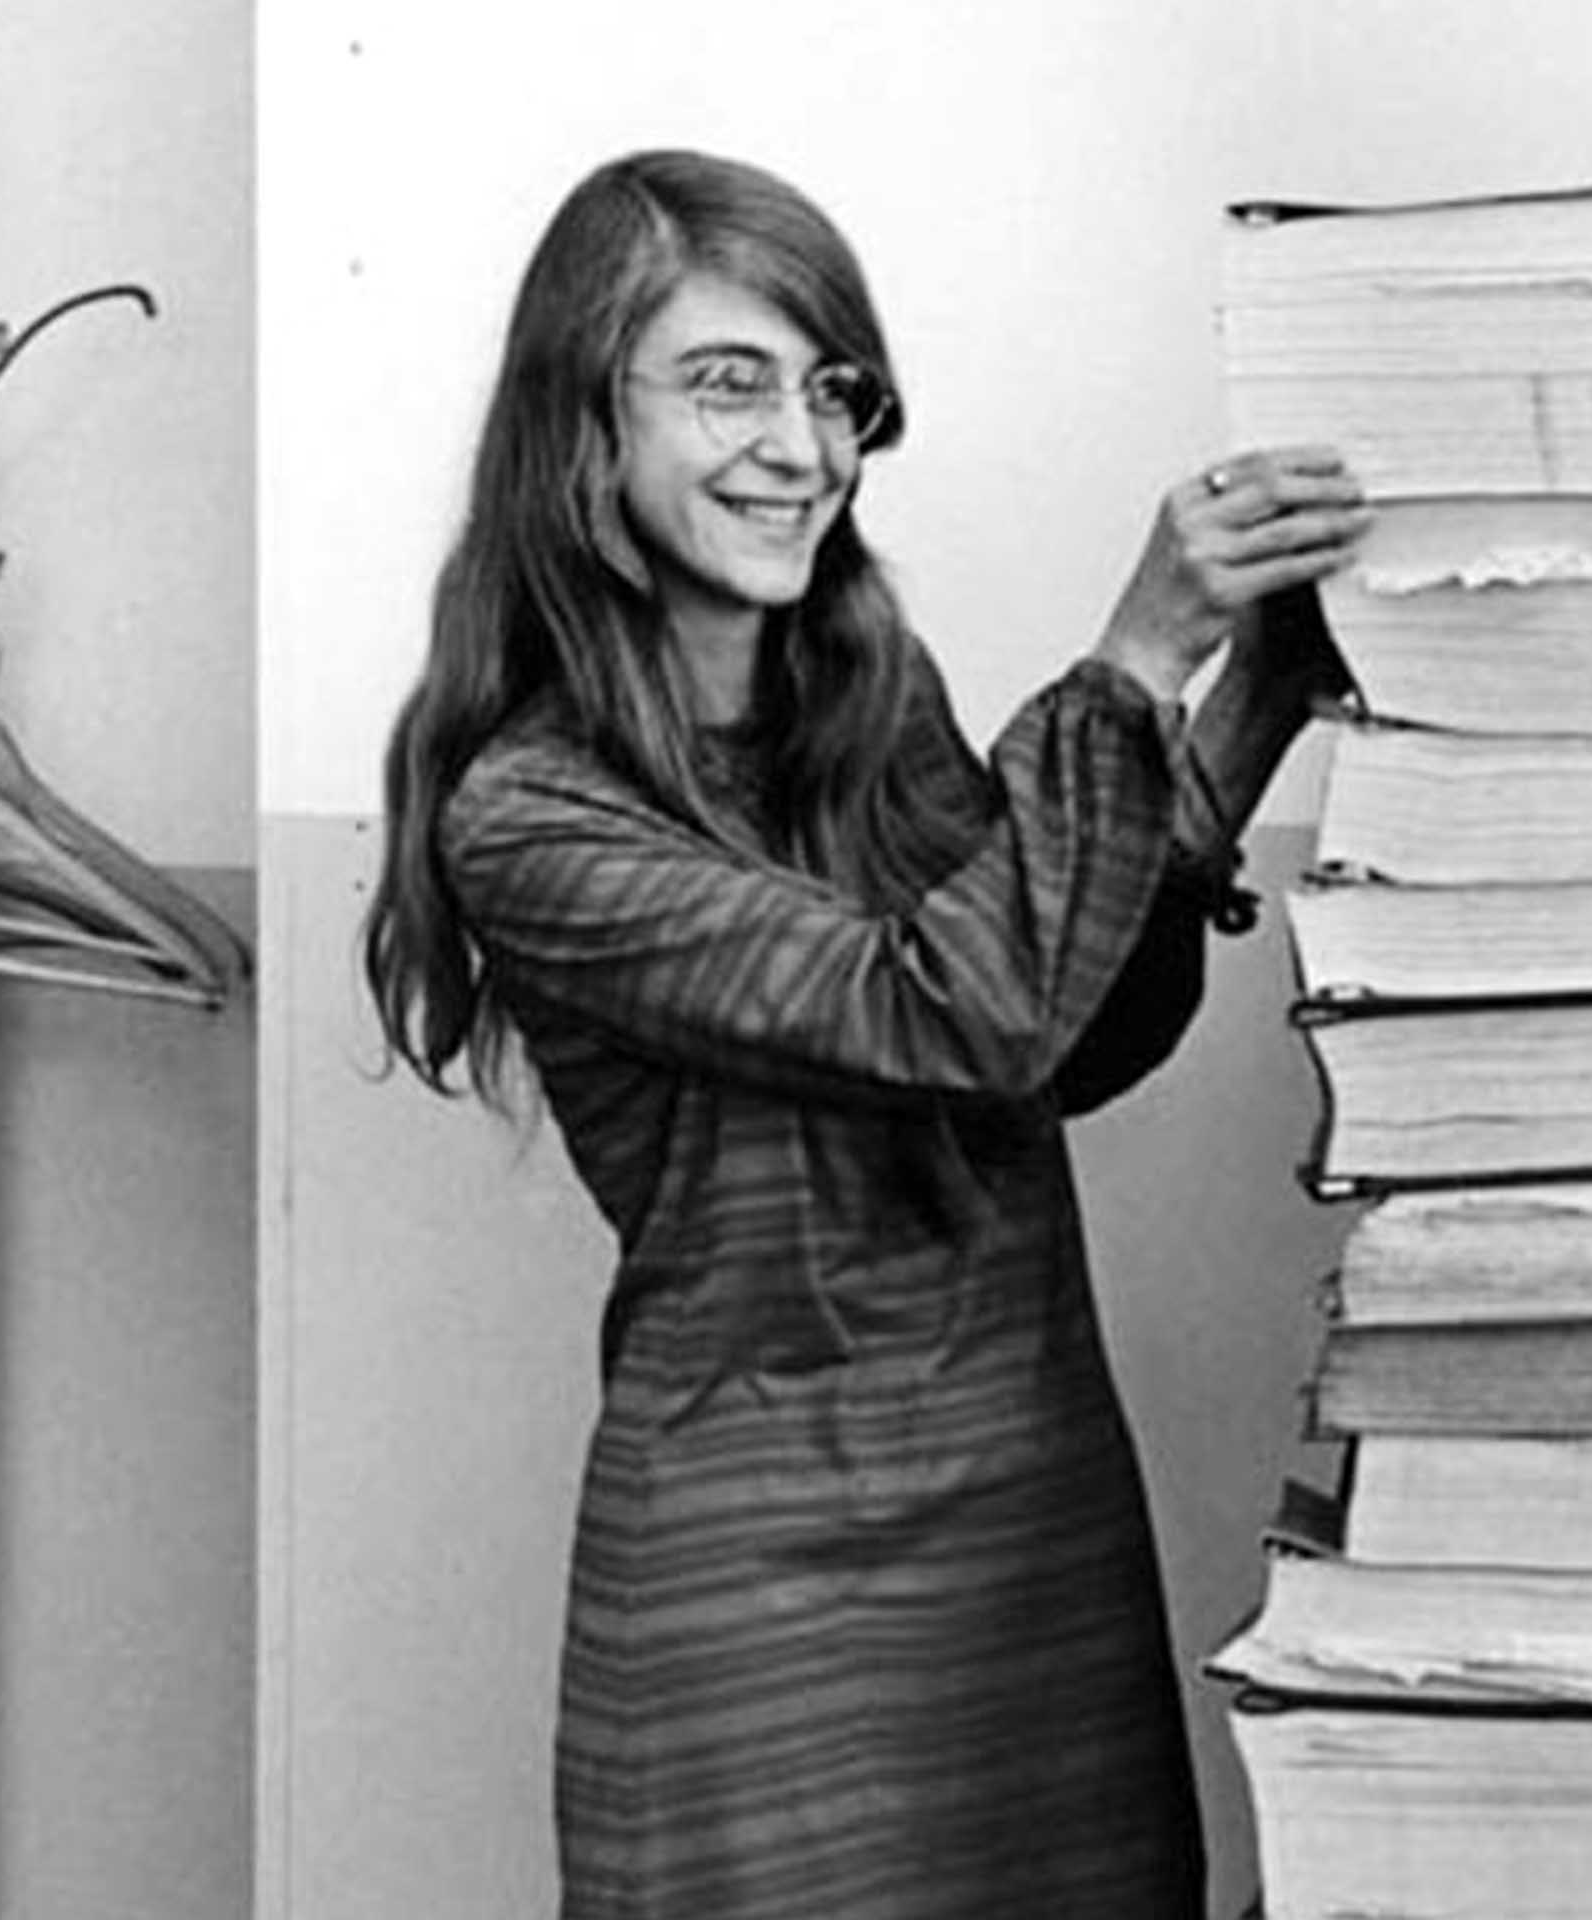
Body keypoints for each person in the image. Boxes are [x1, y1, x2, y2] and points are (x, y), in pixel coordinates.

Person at [362, 147, 1370, 1920]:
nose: (802, 445)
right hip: (759, 1571)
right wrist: (1136, 659)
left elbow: (1055, 1036)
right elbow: (946, 1013)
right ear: (579, 423)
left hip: (1028, 1509)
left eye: (834, 388)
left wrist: (1259, 701)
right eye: (727, 382)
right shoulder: (527, 816)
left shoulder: (868, 695)